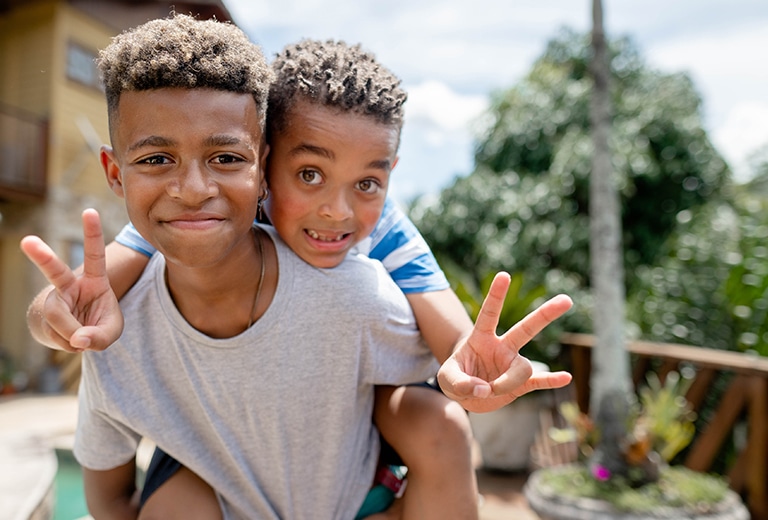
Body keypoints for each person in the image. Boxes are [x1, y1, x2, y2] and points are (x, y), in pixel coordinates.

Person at [24, 26, 574, 520]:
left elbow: (455, 344)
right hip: (210, 463)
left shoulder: (380, 242)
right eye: (309, 173)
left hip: (344, 453)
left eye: (366, 183)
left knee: (433, 419)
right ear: (274, 165)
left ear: (256, 165)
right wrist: (51, 314)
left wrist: (469, 375)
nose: (336, 210)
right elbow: (99, 282)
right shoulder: (195, 217)